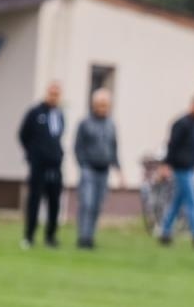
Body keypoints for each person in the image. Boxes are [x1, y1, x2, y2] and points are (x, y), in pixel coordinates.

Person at [18, 81, 66, 248]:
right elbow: (23, 135)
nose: (54, 97)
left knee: (54, 201)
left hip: (55, 165)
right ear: (46, 94)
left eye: (57, 94)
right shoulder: (35, 113)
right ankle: (29, 235)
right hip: (38, 165)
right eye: (51, 93)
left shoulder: (59, 114)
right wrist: (32, 154)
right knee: (35, 200)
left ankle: (50, 236)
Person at [73, 88, 122, 250]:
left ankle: (91, 236)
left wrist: (118, 170)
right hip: (89, 169)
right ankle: (83, 237)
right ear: (94, 104)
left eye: (105, 104)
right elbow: (78, 147)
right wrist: (82, 164)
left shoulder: (111, 125)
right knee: (86, 203)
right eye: (100, 104)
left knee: (97, 205)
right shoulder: (85, 123)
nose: (102, 107)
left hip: (104, 170)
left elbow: (114, 148)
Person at [159, 95, 194, 249]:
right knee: (192, 201)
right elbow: (172, 145)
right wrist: (166, 164)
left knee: (177, 202)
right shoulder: (182, 123)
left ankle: (165, 231)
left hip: (189, 168)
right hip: (181, 168)